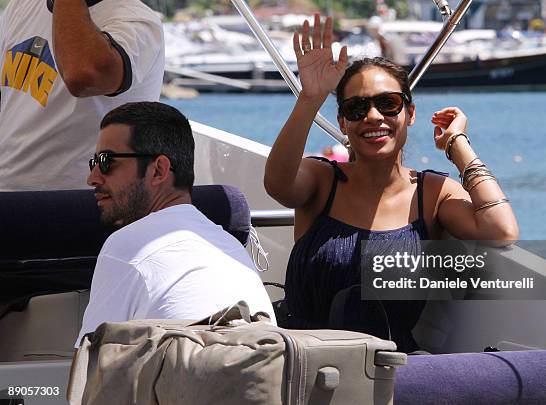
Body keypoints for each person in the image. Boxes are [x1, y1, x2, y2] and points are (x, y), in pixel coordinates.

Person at [264, 15, 519, 352]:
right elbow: (278, 185)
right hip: (301, 363)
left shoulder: (433, 194)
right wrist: (310, 99)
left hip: (388, 375)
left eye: (388, 104)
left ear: (409, 114)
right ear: (343, 122)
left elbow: (501, 230)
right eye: (357, 108)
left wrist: (457, 144)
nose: (373, 116)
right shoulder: (323, 180)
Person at [75, 102, 275, 347]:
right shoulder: (229, 245)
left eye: (106, 161)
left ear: (158, 170)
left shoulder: (129, 246)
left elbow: (88, 367)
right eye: (93, 162)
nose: (92, 178)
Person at [0, 0, 164, 191]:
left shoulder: (137, 21)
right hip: (8, 193)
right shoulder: (23, 4)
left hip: (82, 203)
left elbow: (83, 75)